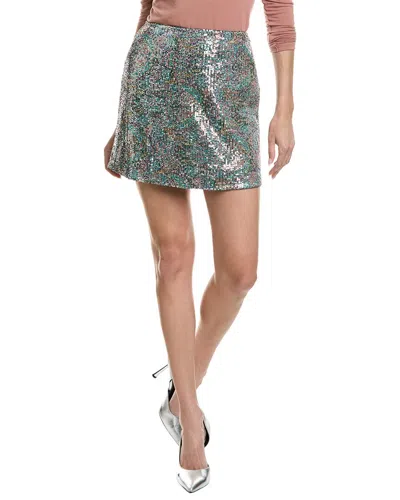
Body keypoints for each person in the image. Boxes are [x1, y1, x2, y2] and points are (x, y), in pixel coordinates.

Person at [104, 0, 295, 493]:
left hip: (228, 82)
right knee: (173, 256)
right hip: (155, 78)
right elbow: (147, 9)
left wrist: (285, 109)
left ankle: (185, 376)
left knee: (240, 272)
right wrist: (124, 119)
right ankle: (189, 419)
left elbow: (280, 19)